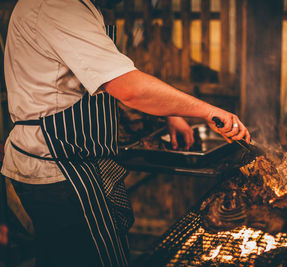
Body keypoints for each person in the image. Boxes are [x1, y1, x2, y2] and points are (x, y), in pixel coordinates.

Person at [1, 0, 251, 266]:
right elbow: (129, 87)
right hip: (62, 168)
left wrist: (170, 113)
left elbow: (93, 80)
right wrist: (208, 111)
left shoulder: (73, 7)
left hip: (68, 161)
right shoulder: (57, 5)